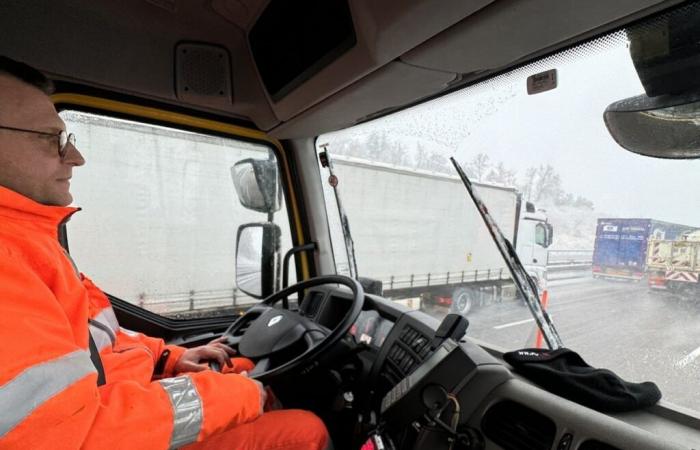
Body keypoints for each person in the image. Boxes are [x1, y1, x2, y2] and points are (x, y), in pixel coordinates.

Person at [0, 56, 330, 450]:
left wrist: (168, 358)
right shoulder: (9, 261)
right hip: (103, 429)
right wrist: (239, 397)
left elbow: (104, 338)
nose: (75, 157)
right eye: (51, 139)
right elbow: (67, 436)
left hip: (113, 400)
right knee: (305, 431)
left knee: (240, 369)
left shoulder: (31, 241)